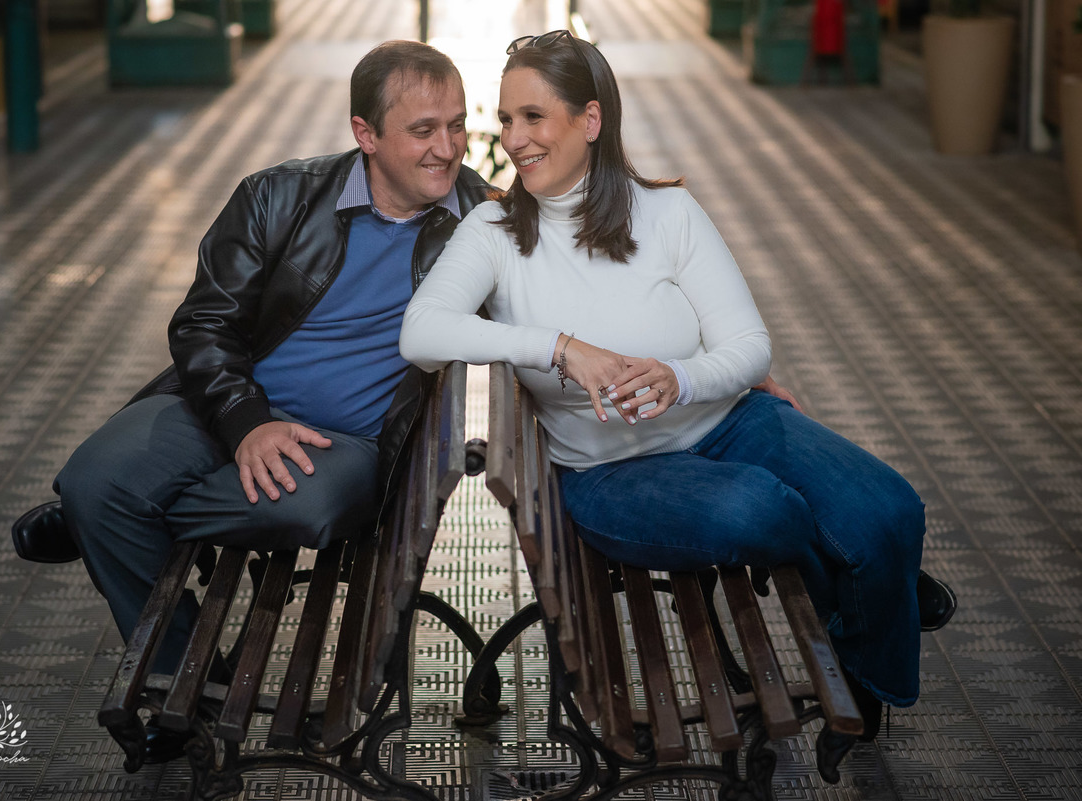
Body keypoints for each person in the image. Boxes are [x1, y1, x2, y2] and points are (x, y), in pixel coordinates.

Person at [399, 30, 955, 748]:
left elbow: (749, 346)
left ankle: (865, 664)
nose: (512, 138)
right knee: (765, 507)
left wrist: (680, 376)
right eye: (506, 119)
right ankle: (871, 602)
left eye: (533, 117)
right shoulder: (496, 231)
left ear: (590, 121)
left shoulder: (668, 213)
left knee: (891, 508)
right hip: (613, 471)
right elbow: (422, 332)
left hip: (729, 421)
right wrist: (560, 348)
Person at [52, 40, 491, 762]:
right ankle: (182, 674)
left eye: (457, 124)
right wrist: (248, 423)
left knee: (293, 506)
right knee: (94, 481)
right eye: (423, 130)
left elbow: (586, 290)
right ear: (365, 135)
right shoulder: (277, 196)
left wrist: (720, 362)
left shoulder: (482, 219)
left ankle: (102, 522)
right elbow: (203, 324)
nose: (448, 149)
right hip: (222, 406)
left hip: (344, 446)